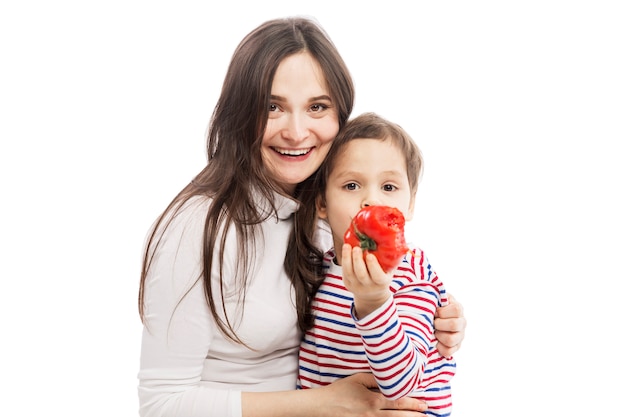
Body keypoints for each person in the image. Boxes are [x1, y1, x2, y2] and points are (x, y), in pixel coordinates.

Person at [137, 17, 466, 417]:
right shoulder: (198, 228)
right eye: (272, 107)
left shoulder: (327, 214)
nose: (296, 132)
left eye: (316, 107)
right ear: (239, 114)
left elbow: (386, 309)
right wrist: (322, 405)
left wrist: (437, 318)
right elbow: (161, 405)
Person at [296, 112, 456, 416]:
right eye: (352, 186)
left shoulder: (413, 274)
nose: (371, 200)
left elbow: (403, 385)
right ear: (322, 204)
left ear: (409, 205)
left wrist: (374, 302)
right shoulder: (316, 271)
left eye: (389, 187)